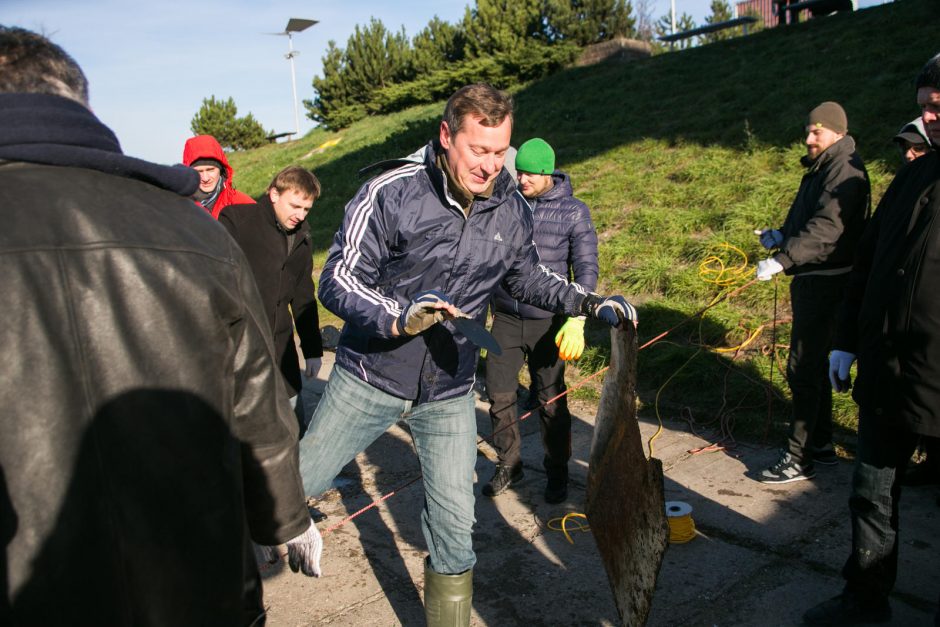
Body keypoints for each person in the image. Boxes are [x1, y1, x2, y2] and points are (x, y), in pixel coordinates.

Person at [0, 26, 319, 625]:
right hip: (197, 581)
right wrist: (283, 518)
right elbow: (258, 408)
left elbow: (290, 314)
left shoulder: (220, 221)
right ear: (79, 106)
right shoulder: (195, 230)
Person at [297, 83, 634, 626]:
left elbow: (528, 276)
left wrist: (587, 303)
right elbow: (336, 279)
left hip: (450, 389)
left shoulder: (511, 207)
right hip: (370, 377)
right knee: (294, 489)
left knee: (456, 528)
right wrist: (397, 316)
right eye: (479, 151)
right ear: (447, 135)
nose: (491, 166)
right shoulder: (391, 190)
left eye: (501, 152)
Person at [803, 53, 940, 625]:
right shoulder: (912, 176)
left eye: (938, 107)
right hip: (886, 371)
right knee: (871, 494)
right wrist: (846, 339)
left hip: (937, 375)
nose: (930, 119)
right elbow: (870, 262)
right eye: (925, 108)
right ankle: (864, 600)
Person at [755, 101, 871, 484]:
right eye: (808, 131)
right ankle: (820, 444)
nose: (808, 139)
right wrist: (781, 237)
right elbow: (809, 219)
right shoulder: (826, 165)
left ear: (837, 131)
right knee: (812, 364)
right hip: (813, 277)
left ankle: (798, 456)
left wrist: (783, 259)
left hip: (827, 281)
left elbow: (826, 229)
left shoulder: (843, 169)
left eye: (816, 131)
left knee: (803, 366)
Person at [482, 137, 599, 504]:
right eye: (518, 171)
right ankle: (509, 463)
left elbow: (586, 267)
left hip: (548, 322)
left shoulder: (574, 211)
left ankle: (557, 470)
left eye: (529, 172)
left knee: (551, 401)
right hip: (504, 317)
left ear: (547, 172)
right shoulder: (507, 205)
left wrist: (577, 316)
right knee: (498, 394)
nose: (522, 178)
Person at [219, 166, 324, 434]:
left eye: (307, 209)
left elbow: (303, 296)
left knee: (294, 431)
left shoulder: (302, 236)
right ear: (274, 194)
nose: (300, 215)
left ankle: (300, 476)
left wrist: (312, 350)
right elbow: (216, 284)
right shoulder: (236, 221)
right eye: (295, 205)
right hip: (239, 351)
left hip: (282, 352)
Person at [182, 133, 255, 218]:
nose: (205, 178)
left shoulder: (243, 204)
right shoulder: (179, 206)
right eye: (198, 172)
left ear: (221, 170)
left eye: (210, 170)